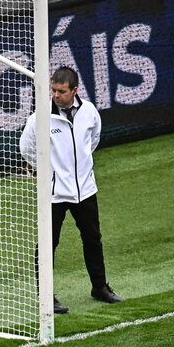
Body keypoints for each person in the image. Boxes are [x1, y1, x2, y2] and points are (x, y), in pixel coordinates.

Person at [19, 66, 122, 314]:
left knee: (93, 239)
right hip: (54, 193)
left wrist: (82, 170)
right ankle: (46, 295)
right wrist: (50, 172)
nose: (56, 95)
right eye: (53, 90)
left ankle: (100, 287)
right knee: (47, 244)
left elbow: (93, 140)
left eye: (61, 91)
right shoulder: (39, 118)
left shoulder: (89, 112)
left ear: (75, 90)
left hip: (85, 190)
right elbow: (27, 149)